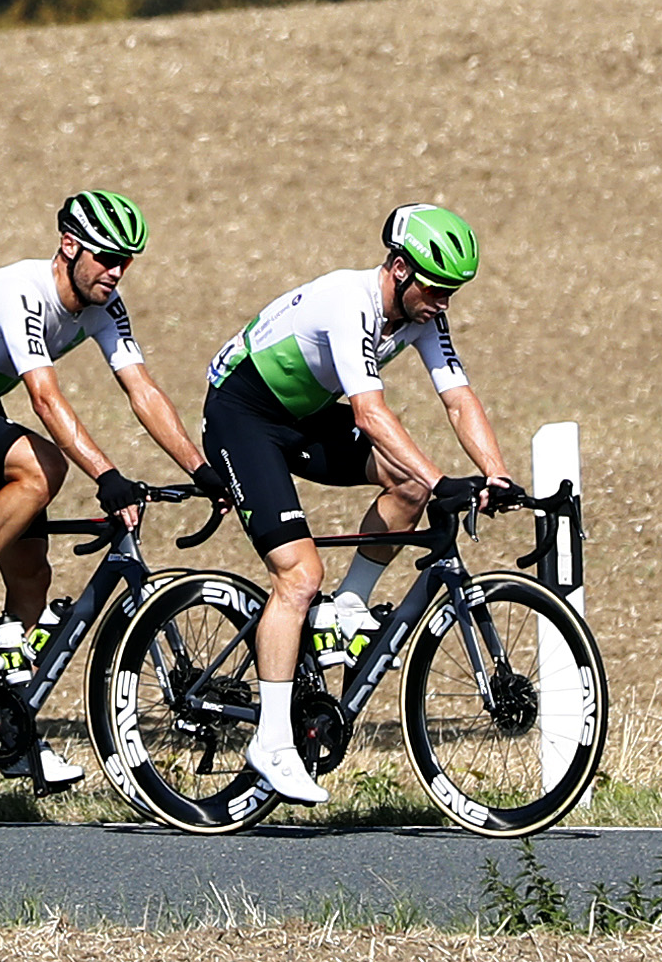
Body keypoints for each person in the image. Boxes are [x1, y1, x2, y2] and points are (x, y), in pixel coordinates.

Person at [203, 205, 511, 810]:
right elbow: (370, 414)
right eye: (437, 288)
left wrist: (496, 473)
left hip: (306, 416)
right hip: (243, 417)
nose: (444, 303)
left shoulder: (422, 316)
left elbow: (458, 398)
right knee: (298, 574)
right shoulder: (350, 302)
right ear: (398, 269)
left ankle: (347, 607)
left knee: (409, 487)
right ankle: (271, 741)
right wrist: (444, 475)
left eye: (454, 293)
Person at [0, 191, 202, 782]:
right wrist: (106, 476)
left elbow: (142, 389)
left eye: (127, 262)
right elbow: (44, 399)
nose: (116, 272)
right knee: (43, 468)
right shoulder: (22, 293)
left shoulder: (104, 304)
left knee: (32, 575)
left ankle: (10, 729)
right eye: (107, 258)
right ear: (69, 246)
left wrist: (199, 467)